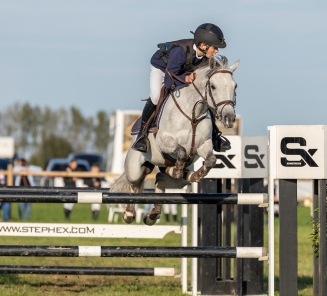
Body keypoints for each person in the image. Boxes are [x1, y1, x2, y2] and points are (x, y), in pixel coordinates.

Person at [133, 23, 230, 153]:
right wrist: (186, 79)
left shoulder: (207, 58)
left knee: (206, 98)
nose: (217, 51)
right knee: (156, 96)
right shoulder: (180, 52)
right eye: (215, 48)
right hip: (162, 68)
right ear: (202, 45)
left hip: (184, 69)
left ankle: (215, 136)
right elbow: (168, 82)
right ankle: (142, 135)